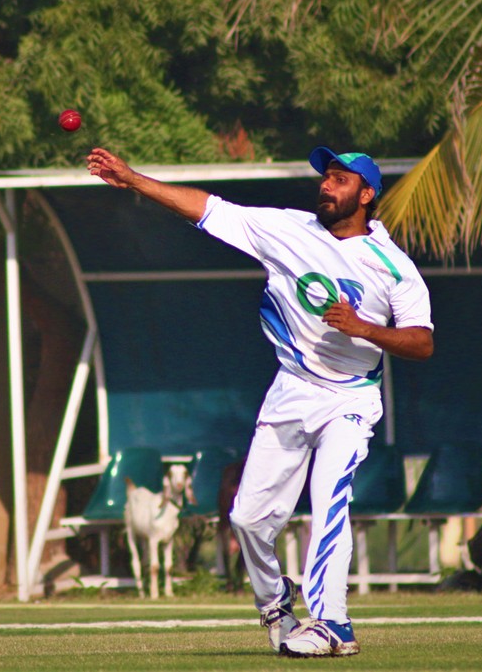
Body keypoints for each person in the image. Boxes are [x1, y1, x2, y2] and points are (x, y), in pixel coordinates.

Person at [86, 145, 434, 657]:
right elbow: (208, 209)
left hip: (350, 398)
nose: (326, 185)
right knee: (247, 518)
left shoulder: (393, 265)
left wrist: (364, 329)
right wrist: (134, 179)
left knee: (329, 503)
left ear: (366, 195)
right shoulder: (287, 229)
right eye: (325, 176)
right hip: (291, 390)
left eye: (340, 179)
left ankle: (333, 624)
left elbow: (422, 342)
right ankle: (275, 604)